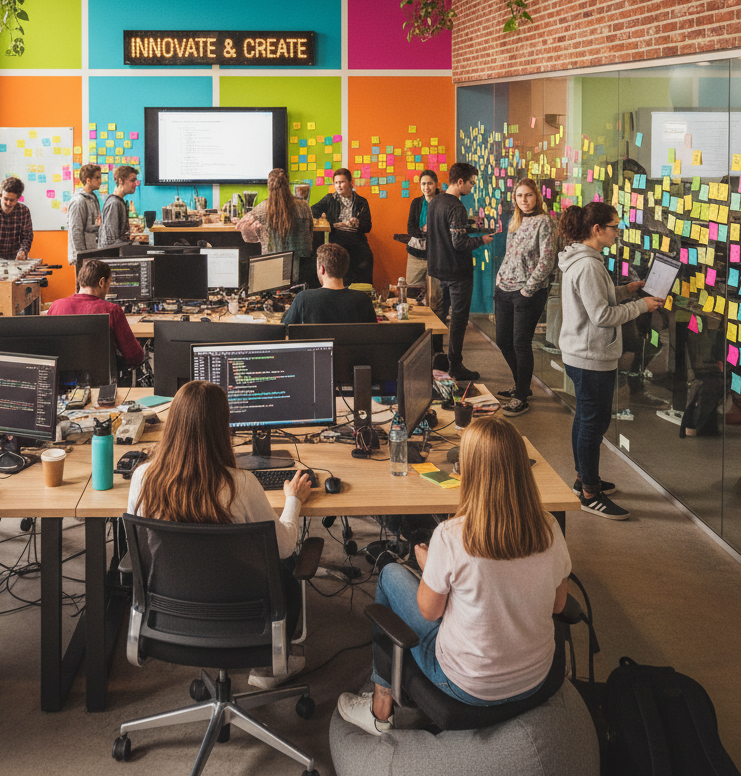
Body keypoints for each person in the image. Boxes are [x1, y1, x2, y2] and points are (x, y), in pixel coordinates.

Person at [337, 414, 571, 735]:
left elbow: (428, 612)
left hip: (467, 685)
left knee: (390, 573)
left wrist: (428, 564)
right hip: (535, 678)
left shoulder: (451, 536)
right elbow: (559, 606)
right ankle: (382, 700)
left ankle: (380, 706)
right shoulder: (550, 529)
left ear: (470, 471)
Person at [127, 380, 312, 689]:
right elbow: (285, 546)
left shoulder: (143, 478)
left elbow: (139, 541)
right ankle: (266, 668)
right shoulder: (241, 485)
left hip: (172, 614)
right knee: (287, 573)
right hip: (244, 614)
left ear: (172, 424)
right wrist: (293, 499)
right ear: (222, 428)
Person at [558, 202, 663, 520]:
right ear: (597, 230)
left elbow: (596, 297)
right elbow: (601, 315)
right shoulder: (588, 265)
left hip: (583, 354)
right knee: (593, 423)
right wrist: (641, 306)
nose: (618, 232)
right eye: (615, 227)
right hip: (590, 357)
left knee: (585, 420)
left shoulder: (584, 260)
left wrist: (625, 291)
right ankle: (590, 492)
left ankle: (583, 478)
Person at [493, 178, 559, 416]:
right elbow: (510, 254)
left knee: (520, 343)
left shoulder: (546, 222)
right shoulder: (515, 221)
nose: (524, 200)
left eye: (528, 195)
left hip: (527, 292)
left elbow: (548, 260)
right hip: (504, 289)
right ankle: (521, 385)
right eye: (520, 196)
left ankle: (522, 396)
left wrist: (527, 290)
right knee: (503, 341)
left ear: (537, 197)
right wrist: (499, 280)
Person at [426, 163, 493, 381]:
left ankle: (437, 358)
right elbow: (459, 243)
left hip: (438, 269)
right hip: (457, 272)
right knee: (459, 319)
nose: (473, 187)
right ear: (461, 182)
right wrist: (481, 240)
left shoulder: (435, 201)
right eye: (472, 183)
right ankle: (455, 364)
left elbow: (446, 232)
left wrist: (470, 227)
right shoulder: (456, 207)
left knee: (438, 316)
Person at [47, 258, 144, 369]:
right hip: (102, 381)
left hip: (63, 380)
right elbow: (134, 356)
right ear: (101, 282)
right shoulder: (112, 310)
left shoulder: (56, 306)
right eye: (109, 283)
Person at [237, 168, 316, 287]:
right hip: (300, 269)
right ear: (288, 184)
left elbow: (245, 234)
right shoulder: (303, 206)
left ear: (269, 186)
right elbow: (310, 233)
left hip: (271, 269)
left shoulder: (262, 208)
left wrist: (257, 233)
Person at [281, 244, 378, 325]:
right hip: (350, 349)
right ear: (345, 269)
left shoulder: (304, 299)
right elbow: (373, 333)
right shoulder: (363, 300)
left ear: (321, 269)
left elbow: (284, 327)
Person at [310, 169, 374, 285]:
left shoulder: (361, 202)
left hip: (357, 240)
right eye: (336, 183)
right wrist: (325, 220)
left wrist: (358, 223)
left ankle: (364, 294)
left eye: (342, 182)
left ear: (350, 183)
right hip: (337, 240)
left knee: (366, 258)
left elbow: (368, 226)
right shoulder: (329, 199)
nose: (338, 186)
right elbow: (312, 210)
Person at [405, 168, 443, 314]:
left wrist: (431, 229)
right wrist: (423, 231)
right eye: (423, 184)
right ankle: (416, 325)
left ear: (436, 184)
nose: (426, 187)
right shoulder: (416, 202)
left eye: (430, 184)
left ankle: (436, 330)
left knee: (436, 295)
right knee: (412, 292)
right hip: (416, 253)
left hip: (437, 254)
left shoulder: (443, 202)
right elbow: (410, 228)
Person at [99, 165, 147, 249]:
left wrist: (132, 236)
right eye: (132, 180)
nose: (135, 184)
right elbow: (111, 241)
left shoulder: (119, 201)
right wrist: (133, 241)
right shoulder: (114, 203)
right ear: (120, 181)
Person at [67, 163, 104, 264]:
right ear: (88, 180)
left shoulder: (93, 198)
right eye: (97, 178)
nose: (100, 181)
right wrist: (82, 257)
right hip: (83, 257)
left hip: (92, 253)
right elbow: (76, 231)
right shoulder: (78, 201)